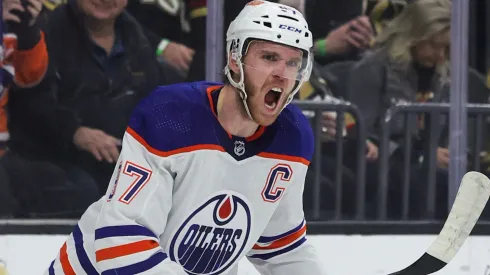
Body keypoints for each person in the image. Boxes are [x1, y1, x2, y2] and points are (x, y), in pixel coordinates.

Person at [45, 1, 327, 274]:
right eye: (269, 57)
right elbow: (119, 241)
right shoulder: (170, 117)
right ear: (235, 59)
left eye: (293, 63)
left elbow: (281, 247)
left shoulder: (292, 137)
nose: (281, 74)